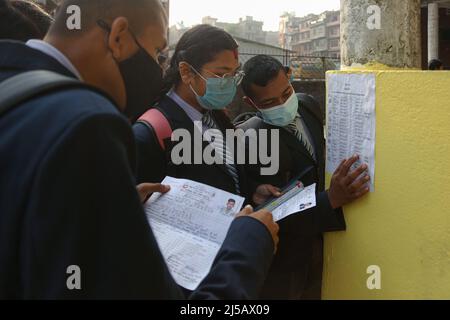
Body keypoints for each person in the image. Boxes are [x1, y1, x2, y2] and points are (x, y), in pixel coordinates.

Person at [0, 0, 278, 299]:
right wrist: (248, 246)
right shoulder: (88, 123)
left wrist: (115, 207)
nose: (160, 68)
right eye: (157, 53)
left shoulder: (16, 90)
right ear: (118, 36)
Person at [237, 55, 370, 299]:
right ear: (250, 102)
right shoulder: (250, 140)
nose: (283, 104)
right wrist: (329, 199)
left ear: (289, 76)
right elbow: (272, 213)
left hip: (320, 249)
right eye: (269, 102)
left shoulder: (307, 105)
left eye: (286, 93)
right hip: (282, 264)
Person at [133, 25, 281, 207]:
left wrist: (252, 191)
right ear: (186, 72)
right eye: (220, 74)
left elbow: (223, 175)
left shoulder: (215, 116)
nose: (229, 84)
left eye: (233, 74)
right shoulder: (151, 133)